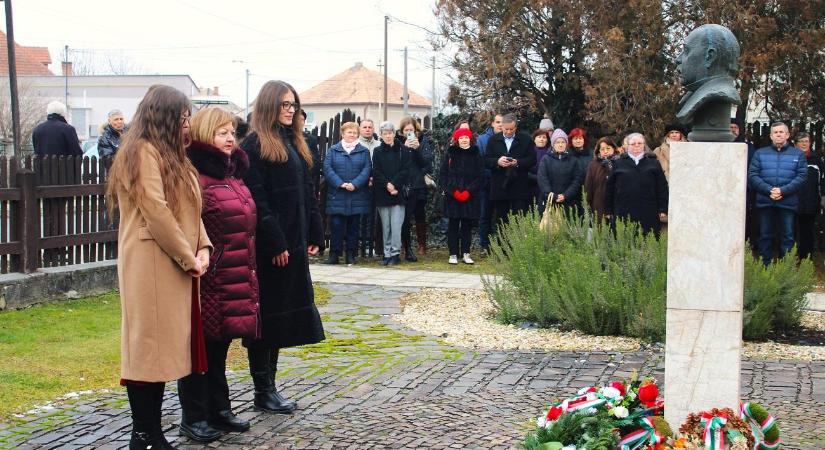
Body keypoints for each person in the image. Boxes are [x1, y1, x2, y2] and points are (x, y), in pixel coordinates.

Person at [105, 85, 212, 450]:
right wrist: (188, 257)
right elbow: (156, 211)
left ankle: (152, 432)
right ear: (165, 116)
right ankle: (144, 433)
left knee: (164, 349)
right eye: (183, 117)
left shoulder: (174, 157)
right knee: (147, 349)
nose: (188, 125)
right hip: (151, 265)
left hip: (175, 263)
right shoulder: (141, 152)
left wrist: (204, 247)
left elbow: (191, 209)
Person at [240, 80, 325, 415]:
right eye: (285, 104)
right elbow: (256, 198)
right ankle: (263, 390)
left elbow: (308, 192)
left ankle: (269, 387)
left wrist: (315, 233)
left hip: (294, 243)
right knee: (268, 319)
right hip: (272, 247)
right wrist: (275, 240)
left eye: (294, 104)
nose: (291, 110)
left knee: (281, 317)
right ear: (270, 105)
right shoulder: (254, 145)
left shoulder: (293, 142)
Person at [179, 107, 258, 442]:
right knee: (199, 350)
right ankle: (194, 416)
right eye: (221, 132)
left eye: (232, 132)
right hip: (208, 275)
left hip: (236, 273)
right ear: (204, 134)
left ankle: (219, 408)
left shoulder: (233, 174)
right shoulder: (195, 175)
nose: (229, 139)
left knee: (220, 346)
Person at [748, 122, 807, 265]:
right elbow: (753, 175)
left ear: (787, 135)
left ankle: (786, 271)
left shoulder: (798, 154)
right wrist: (769, 190)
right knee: (764, 236)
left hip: (787, 202)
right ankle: (765, 270)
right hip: (765, 201)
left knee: (787, 237)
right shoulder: (760, 153)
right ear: (771, 136)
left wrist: (783, 191)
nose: (779, 134)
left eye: (782, 132)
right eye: (775, 132)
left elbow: (802, 176)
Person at [323, 121, 372, 265]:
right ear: (343, 134)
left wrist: (355, 184)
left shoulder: (363, 151)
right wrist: (340, 183)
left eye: (354, 132)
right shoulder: (333, 150)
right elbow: (327, 168)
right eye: (349, 132)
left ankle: (351, 254)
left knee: (353, 226)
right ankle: (334, 254)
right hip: (337, 194)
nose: (352, 135)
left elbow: (367, 169)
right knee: (336, 225)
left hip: (356, 194)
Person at [605, 132, 669, 236]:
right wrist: (608, 210)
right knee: (624, 241)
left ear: (644, 145)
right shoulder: (619, 163)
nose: (636, 145)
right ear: (627, 146)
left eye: (640, 143)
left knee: (648, 241)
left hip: (649, 211)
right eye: (633, 143)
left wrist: (663, 209)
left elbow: (662, 187)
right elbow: (610, 189)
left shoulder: (654, 163)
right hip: (623, 210)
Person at [440, 127, 484, 265]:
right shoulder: (450, 154)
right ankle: (453, 253)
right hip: (452, 197)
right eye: (461, 138)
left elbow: (480, 176)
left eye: (466, 137)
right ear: (457, 140)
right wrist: (454, 192)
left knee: (466, 226)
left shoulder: (476, 154)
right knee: (453, 225)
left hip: (470, 197)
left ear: (470, 139)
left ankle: (466, 253)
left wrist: (468, 191)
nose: (464, 140)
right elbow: (443, 176)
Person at [485, 113, 537, 228]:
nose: (508, 132)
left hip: (519, 186)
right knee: (501, 222)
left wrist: (518, 162)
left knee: (520, 221)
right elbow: (486, 160)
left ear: (516, 127)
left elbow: (532, 159)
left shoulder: (526, 139)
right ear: (502, 127)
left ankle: (518, 246)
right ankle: (502, 246)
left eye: (511, 129)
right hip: (500, 187)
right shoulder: (493, 140)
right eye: (506, 129)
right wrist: (497, 162)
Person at [372, 121, 409, 266]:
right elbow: (376, 171)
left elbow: (406, 170)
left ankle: (395, 253)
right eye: (385, 133)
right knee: (385, 225)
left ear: (394, 134)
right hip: (383, 193)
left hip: (397, 193)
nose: (388, 136)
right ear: (381, 135)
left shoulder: (403, 150)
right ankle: (386, 254)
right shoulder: (377, 151)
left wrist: (394, 184)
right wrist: (387, 184)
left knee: (396, 225)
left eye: (390, 133)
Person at [398, 117, 434, 261]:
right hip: (404, 185)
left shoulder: (423, 141)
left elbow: (426, 163)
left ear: (416, 130)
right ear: (401, 132)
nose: (409, 132)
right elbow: (398, 163)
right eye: (406, 130)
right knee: (404, 217)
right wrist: (406, 148)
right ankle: (404, 245)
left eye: (411, 130)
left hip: (418, 184)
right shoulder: (398, 143)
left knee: (420, 214)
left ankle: (422, 244)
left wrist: (417, 148)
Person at [537, 129, 584, 210]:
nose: (560, 145)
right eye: (557, 142)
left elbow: (577, 180)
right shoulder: (546, 159)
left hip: (568, 202)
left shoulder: (574, 160)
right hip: (548, 202)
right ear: (553, 144)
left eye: (563, 142)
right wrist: (551, 195)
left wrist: (566, 195)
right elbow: (542, 178)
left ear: (566, 144)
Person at [476, 113, 502, 253]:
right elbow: (479, 162)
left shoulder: (508, 138)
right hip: (486, 184)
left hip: (503, 185)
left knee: (501, 217)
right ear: (492, 123)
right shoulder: (482, 140)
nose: (499, 124)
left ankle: (500, 245)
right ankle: (484, 245)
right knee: (485, 215)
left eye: (502, 122)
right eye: (497, 122)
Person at [732, 118, 759, 251]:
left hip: (743, 190)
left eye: (735, 128)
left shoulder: (748, 147)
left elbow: (752, 169)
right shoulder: (719, 144)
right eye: (730, 127)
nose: (732, 130)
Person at [794, 132, 822, 260]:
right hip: (793, 201)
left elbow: (822, 181)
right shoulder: (790, 158)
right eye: (801, 141)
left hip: (811, 202)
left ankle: (807, 257)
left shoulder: (816, 160)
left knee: (808, 230)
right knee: (792, 231)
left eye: (806, 141)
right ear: (795, 144)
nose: (804, 144)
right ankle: (792, 257)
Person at [584, 137, 618, 220]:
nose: (605, 151)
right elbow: (588, 187)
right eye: (602, 149)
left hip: (616, 205)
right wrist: (588, 206)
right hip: (598, 206)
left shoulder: (620, 163)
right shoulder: (593, 165)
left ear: (613, 149)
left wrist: (609, 168)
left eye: (608, 148)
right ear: (598, 151)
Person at [527, 128, 550, 209]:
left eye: (544, 137)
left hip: (544, 189)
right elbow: (525, 170)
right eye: (539, 137)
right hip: (530, 188)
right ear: (534, 139)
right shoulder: (528, 152)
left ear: (547, 140)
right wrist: (537, 178)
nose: (541, 139)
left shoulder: (550, 153)